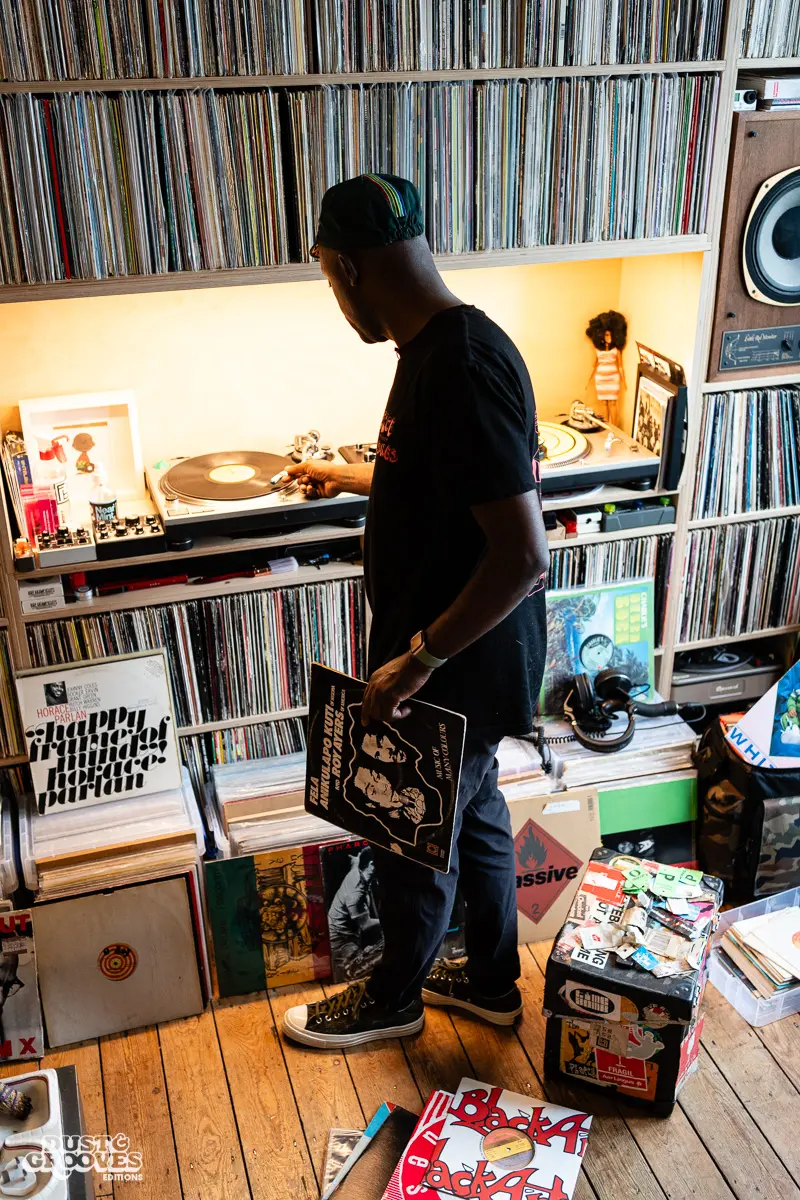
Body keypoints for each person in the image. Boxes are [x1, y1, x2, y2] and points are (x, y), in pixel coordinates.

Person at [281, 173, 549, 1050]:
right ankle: (493, 985)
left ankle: (393, 1001)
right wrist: (350, 476)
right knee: (473, 820)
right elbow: (442, 481)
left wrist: (420, 657)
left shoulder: (459, 365)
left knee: (409, 837)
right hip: (456, 664)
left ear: (349, 267)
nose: (332, 297)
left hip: (455, 666)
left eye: (325, 277)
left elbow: (523, 557)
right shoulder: (437, 347)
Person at [327, 848, 384, 982]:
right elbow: (365, 924)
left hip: (347, 936)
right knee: (350, 973)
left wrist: (356, 859)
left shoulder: (358, 870)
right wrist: (392, 921)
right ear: (371, 865)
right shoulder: (355, 893)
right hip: (341, 943)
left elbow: (356, 863)